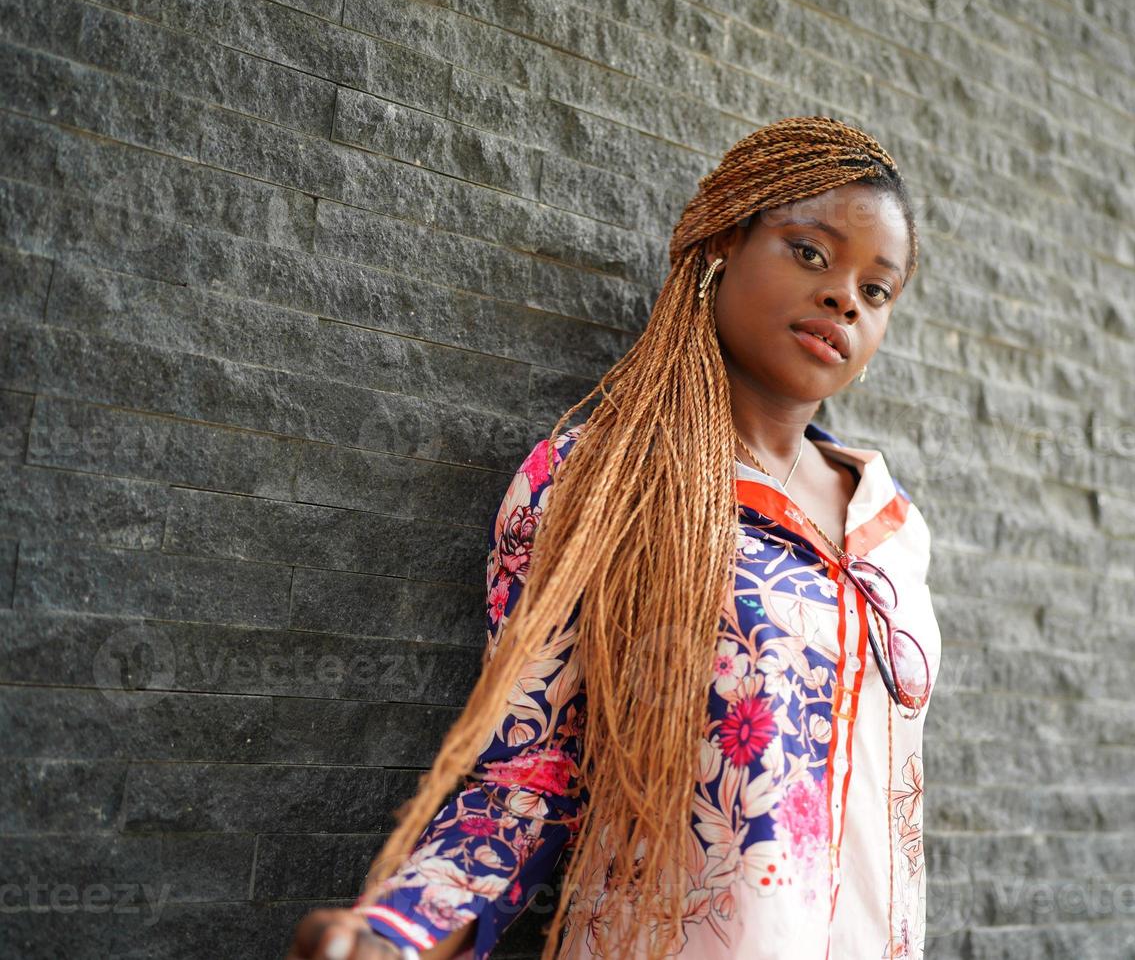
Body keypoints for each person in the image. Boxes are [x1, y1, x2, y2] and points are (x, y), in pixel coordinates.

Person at [286, 116, 942, 960]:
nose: (844, 298)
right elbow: (530, 770)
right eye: (810, 253)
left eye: (876, 290)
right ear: (720, 248)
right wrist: (399, 935)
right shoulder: (606, 482)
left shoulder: (892, 526)